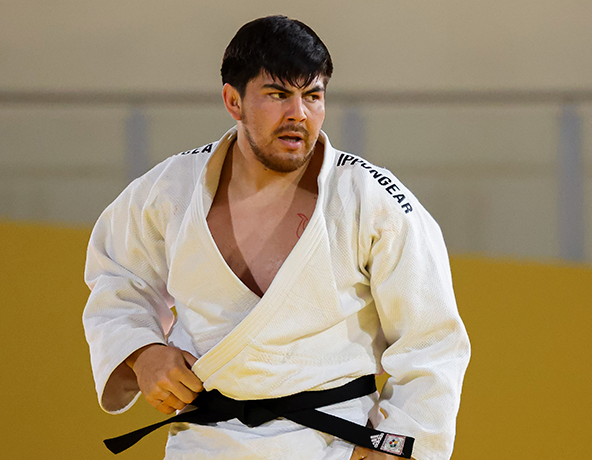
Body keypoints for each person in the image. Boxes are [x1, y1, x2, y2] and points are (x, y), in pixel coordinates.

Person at [83, 15, 470, 460]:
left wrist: (400, 447)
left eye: (313, 96)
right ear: (233, 100)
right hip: (204, 444)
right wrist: (143, 352)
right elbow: (116, 277)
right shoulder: (170, 189)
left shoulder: (371, 198)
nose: (298, 114)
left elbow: (432, 339)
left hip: (332, 444)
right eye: (278, 94)